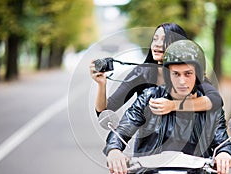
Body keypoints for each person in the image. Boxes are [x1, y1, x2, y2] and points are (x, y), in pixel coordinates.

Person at [103, 40, 231, 174]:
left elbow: (223, 141)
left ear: (198, 75)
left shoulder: (210, 109)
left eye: (188, 74)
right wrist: (114, 151)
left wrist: (224, 154)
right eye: (176, 74)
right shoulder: (149, 98)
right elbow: (122, 130)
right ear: (167, 74)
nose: (182, 81)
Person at [90, 23, 223, 117]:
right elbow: (104, 111)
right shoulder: (142, 72)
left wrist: (172, 105)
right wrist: (102, 85)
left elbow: (216, 101)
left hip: (186, 148)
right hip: (147, 149)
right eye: (155, 39)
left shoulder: (190, 72)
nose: (157, 44)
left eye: (164, 40)